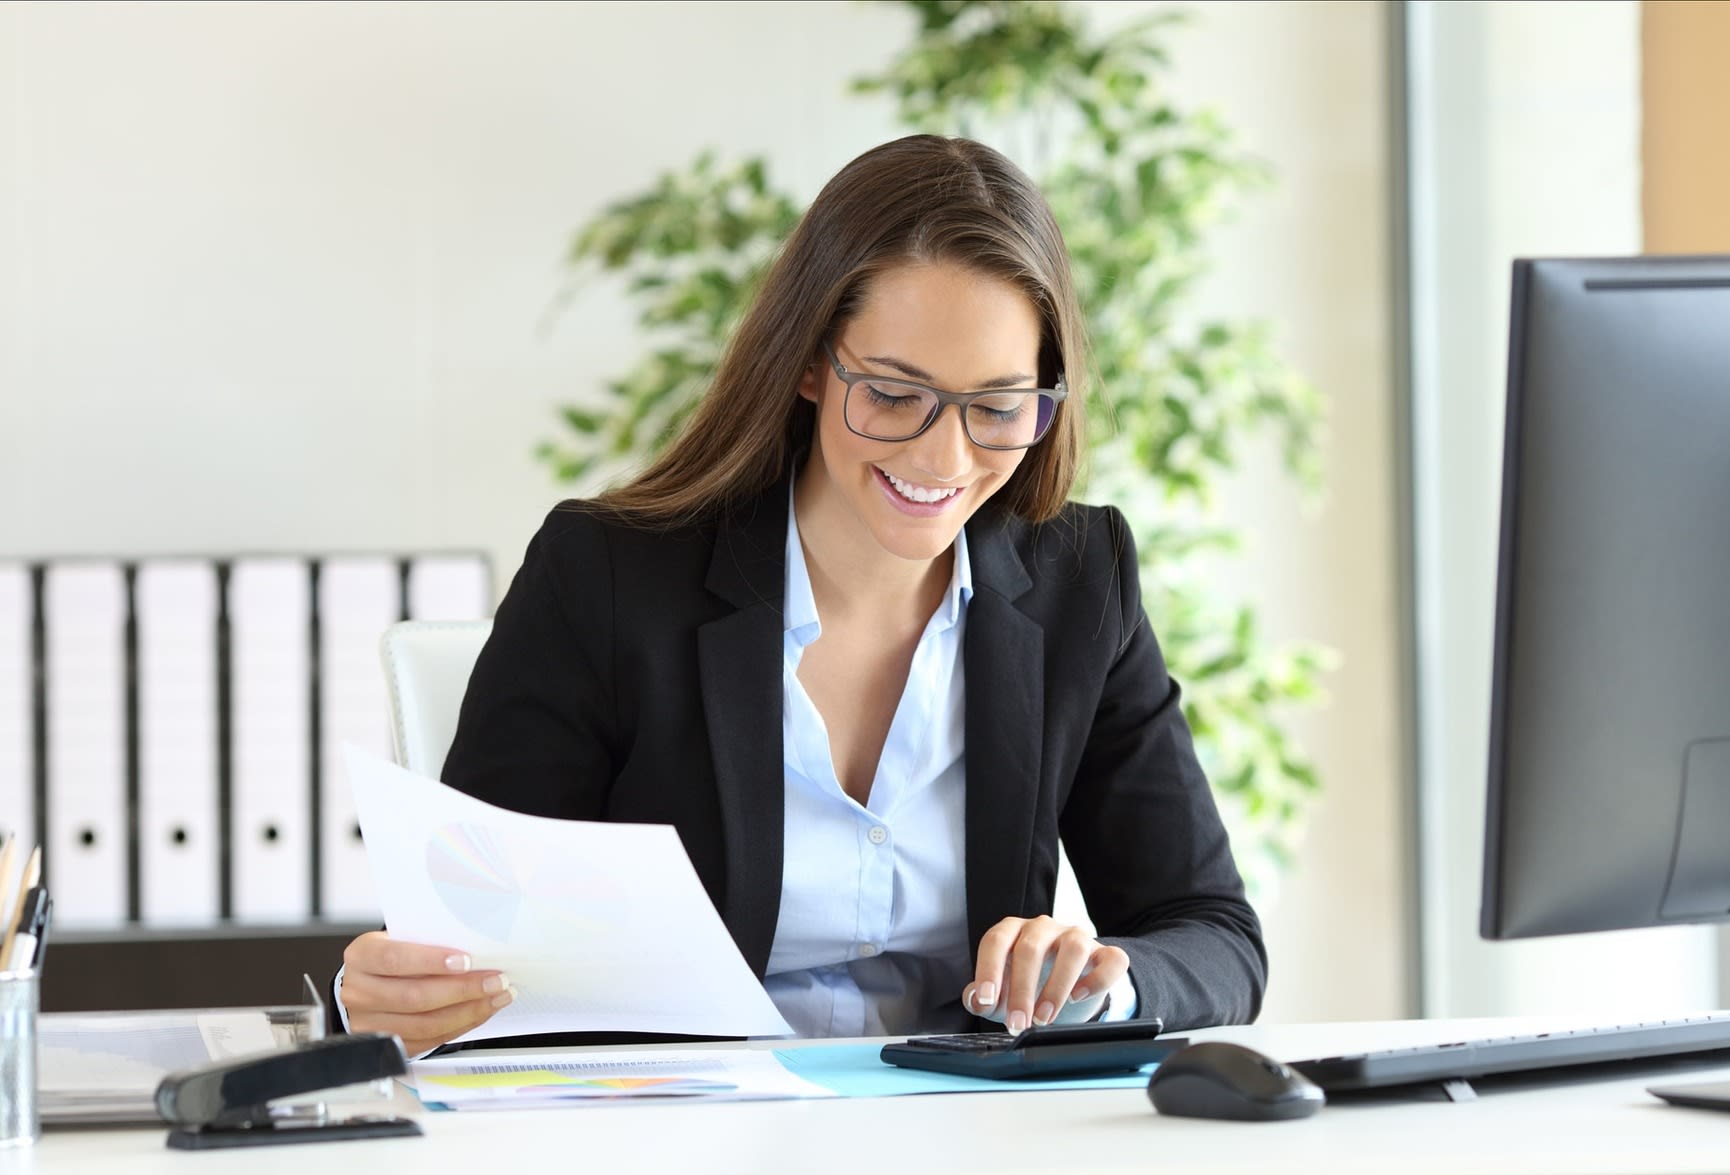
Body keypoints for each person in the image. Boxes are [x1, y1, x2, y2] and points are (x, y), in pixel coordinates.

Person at [339, 134, 1267, 1057]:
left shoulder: (1079, 580)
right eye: (897, 395)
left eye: (997, 406)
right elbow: (468, 937)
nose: (944, 460)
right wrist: (394, 994)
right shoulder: (608, 576)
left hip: (964, 1142)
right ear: (813, 363)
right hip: (679, 1144)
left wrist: (1103, 979)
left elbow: (1213, 933)